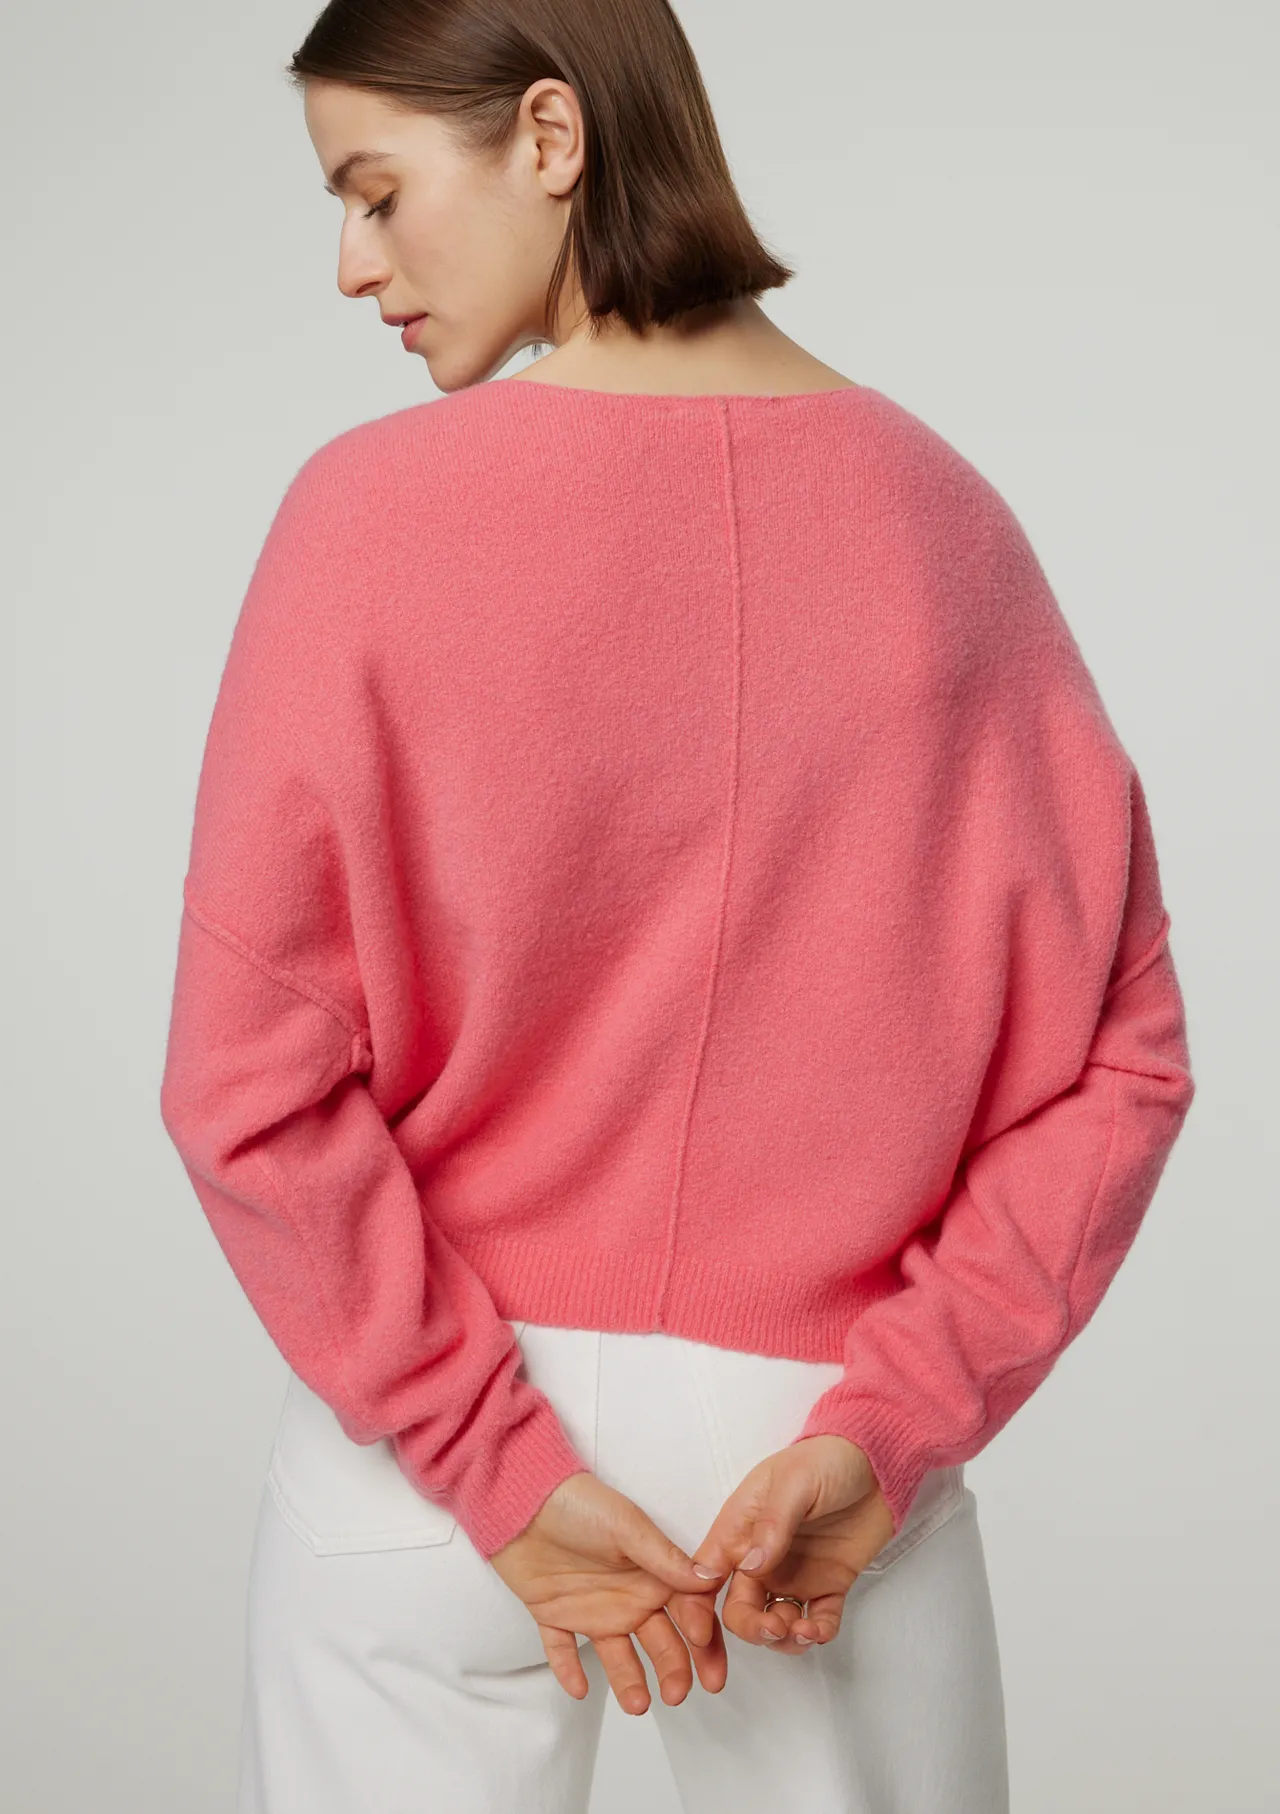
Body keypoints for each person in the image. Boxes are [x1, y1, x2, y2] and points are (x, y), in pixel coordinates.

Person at [157, 2, 1196, 1809]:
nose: (353, 264)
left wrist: (486, 1455)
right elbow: (1122, 1063)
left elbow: (242, 1082)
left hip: (432, 1464)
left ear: (551, 137)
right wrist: (896, 1424)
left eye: (378, 193)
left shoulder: (362, 520)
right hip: (811, 1476)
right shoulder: (947, 526)